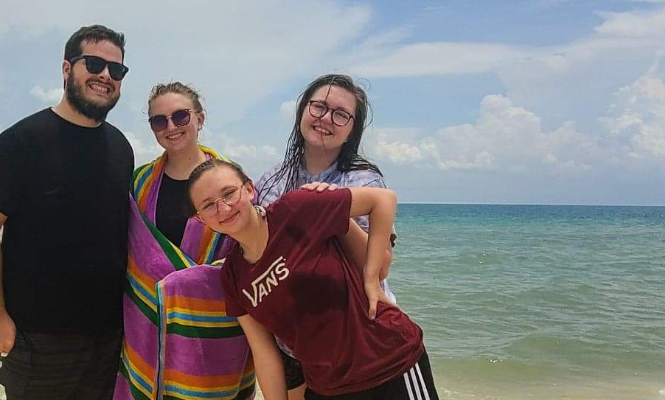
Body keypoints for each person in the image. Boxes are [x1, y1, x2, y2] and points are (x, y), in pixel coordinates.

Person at [0, 24, 133, 399]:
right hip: (37, 337)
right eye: (94, 63)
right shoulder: (19, 142)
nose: (105, 75)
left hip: (109, 336)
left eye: (116, 70)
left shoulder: (121, 148)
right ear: (66, 69)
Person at [187, 159, 438, 400]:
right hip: (327, 387)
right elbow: (264, 352)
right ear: (201, 219)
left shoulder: (295, 209)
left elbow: (383, 200)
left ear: (250, 189)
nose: (224, 208)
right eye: (209, 205)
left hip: (388, 362)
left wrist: (371, 278)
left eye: (229, 193)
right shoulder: (233, 276)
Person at [256, 74, 397, 399]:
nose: (325, 119)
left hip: (354, 339)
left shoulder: (364, 179)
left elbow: (380, 268)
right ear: (302, 111)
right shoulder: (271, 179)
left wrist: (333, 210)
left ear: (352, 130)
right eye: (318, 107)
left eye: (340, 114)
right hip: (292, 342)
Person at [114, 82, 255, 399]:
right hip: (146, 326)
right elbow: (128, 257)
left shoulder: (229, 181)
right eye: (159, 121)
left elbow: (252, 251)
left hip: (215, 331)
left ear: (200, 119)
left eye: (180, 116)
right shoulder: (139, 183)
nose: (171, 127)